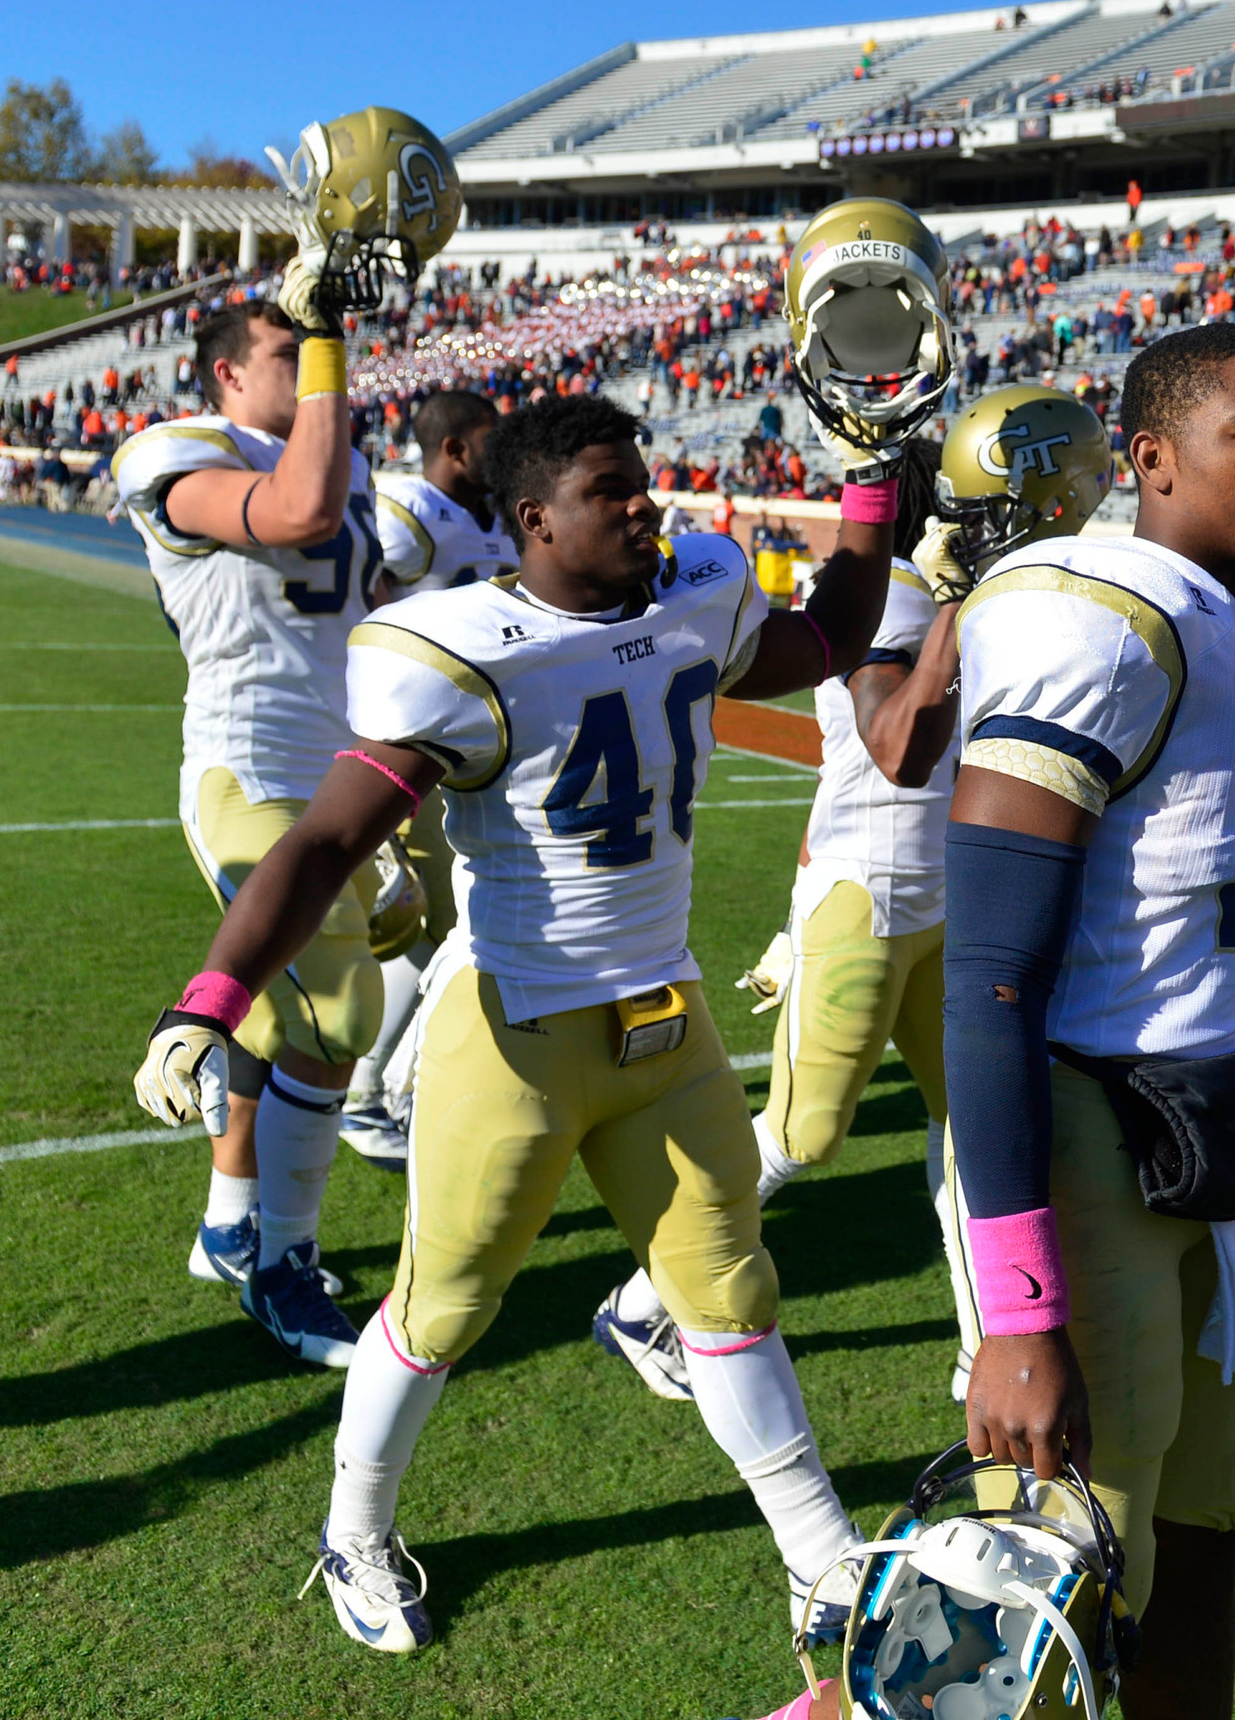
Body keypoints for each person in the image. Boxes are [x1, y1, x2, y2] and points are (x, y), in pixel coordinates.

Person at [132, 390, 910, 1657]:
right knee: (441, 1304)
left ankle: (818, 1557)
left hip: (667, 1018)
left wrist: (872, 491)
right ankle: (355, 1527)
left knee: (729, 1290)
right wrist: (207, 1001)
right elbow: (329, 838)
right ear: (536, 517)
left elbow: (824, 638)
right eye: (614, 491)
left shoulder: (690, 593)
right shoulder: (460, 645)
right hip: (518, 1032)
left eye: (643, 481)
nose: (647, 504)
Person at [940, 323, 1235, 1713]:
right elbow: (988, 970)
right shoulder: (1094, 609)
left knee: (1212, 1524)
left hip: (1213, 1128)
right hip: (1087, 1127)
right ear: (1151, 458)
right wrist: (1022, 1304)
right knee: (1063, 1578)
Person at [595, 395, 1111, 1409]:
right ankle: (640, 1294)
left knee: (975, 1122)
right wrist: (805, 919)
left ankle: (982, 1341)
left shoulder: (956, 589)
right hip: (871, 899)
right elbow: (892, 754)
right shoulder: (910, 596)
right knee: (801, 1131)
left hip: (939, 902)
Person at [114, 275, 390, 1367]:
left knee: (280, 1019)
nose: (317, 366)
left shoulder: (355, 462)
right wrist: (326, 330)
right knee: (331, 1012)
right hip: (247, 763)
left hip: (340, 772)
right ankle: (282, 1263)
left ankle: (227, 1221)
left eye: (320, 349)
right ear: (229, 372)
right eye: (292, 352)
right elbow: (296, 513)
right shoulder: (172, 448)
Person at [343, 390, 522, 1173]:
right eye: (490, 439)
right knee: (443, 932)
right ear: (453, 448)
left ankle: (379, 1084)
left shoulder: (486, 517)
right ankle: (369, 1092)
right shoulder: (409, 509)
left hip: (474, 755)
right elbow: (357, 610)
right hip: (419, 747)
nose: (503, 447)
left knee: (447, 936)